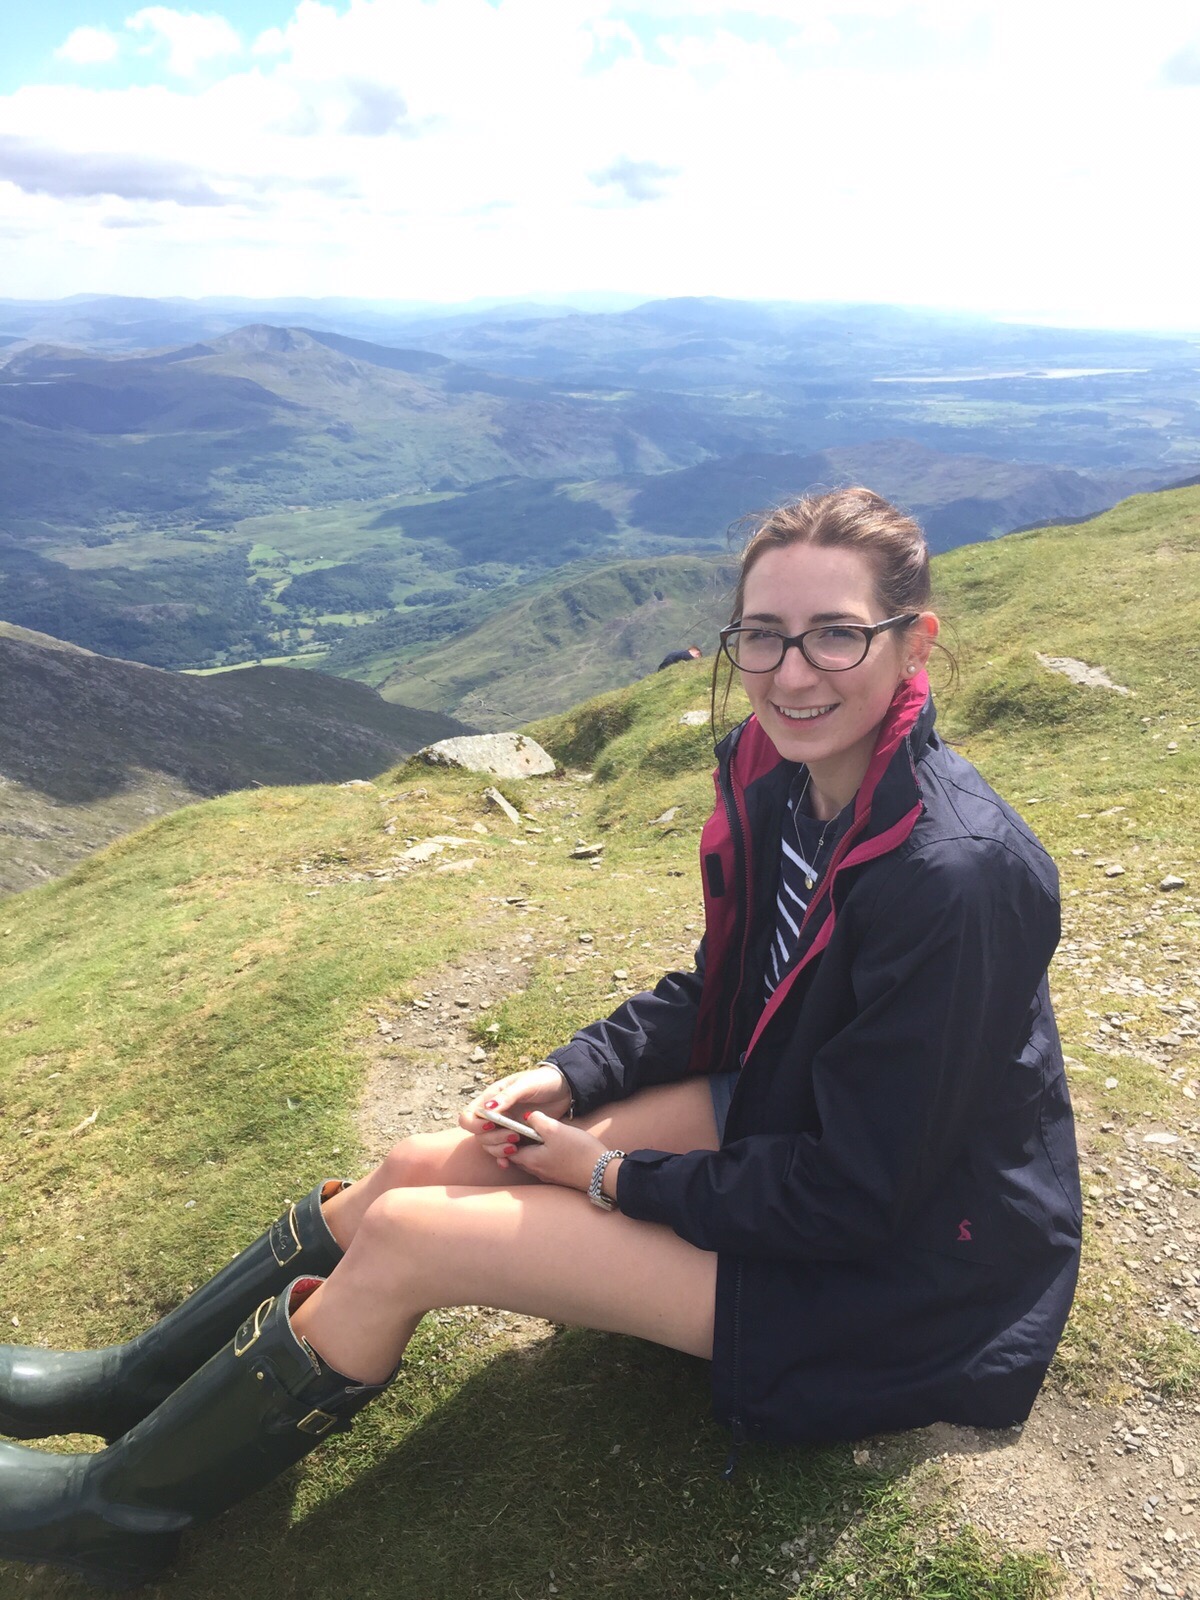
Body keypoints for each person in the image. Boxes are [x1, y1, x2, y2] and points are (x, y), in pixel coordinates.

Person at [0, 488, 1081, 1588]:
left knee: (419, 1234)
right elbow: (728, 990)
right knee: (420, 1166)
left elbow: (859, 1196)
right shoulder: (785, 777)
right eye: (764, 634)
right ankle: (136, 1385)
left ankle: (114, 1513)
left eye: (837, 633)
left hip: (899, 1275)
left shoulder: (956, 877)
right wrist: (574, 1071)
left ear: (914, 642)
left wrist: (613, 1175)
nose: (792, 672)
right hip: (789, 1117)